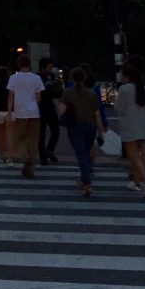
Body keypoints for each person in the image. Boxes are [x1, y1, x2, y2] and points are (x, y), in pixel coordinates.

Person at [60, 66, 104, 197]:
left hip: (75, 126)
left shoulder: (68, 92)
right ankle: (85, 177)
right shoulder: (91, 93)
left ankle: (87, 182)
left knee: (81, 154)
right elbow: (97, 114)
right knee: (86, 151)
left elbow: (62, 110)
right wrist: (100, 131)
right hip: (90, 126)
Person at [115, 63, 145, 194]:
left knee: (133, 156)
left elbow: (118, 108)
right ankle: (137, 182)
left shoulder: (124, 89)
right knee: (141, 155)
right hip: (144, 126)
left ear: (127, 77)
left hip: (130, 126)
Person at [7, 53, 43, 178]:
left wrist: (9, 112)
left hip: (20, 112)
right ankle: (31, 169)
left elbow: (11, 96)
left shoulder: (13, 78)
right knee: (33, 141)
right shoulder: (36, 78)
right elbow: (39, 98)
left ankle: (24, 155)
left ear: (19, 64)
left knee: (20, 138)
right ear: (29, 64)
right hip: (34, 113)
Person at [37, 57, 61, 165]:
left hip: (50, 106)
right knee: (41, 135)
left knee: (55, 131)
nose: (51, 70)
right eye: (49, 68)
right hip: (40, 107)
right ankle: (43, 156)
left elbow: (55, 93)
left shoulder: (51, 77)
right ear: (42, 68)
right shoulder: (37, 78)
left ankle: (49, 150)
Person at [0, 65, 14, 164]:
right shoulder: (10, 84)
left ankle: (0, 154)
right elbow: (12, 97)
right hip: (10, 111)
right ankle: (10, 157)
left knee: (0, 134)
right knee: (10, 135)